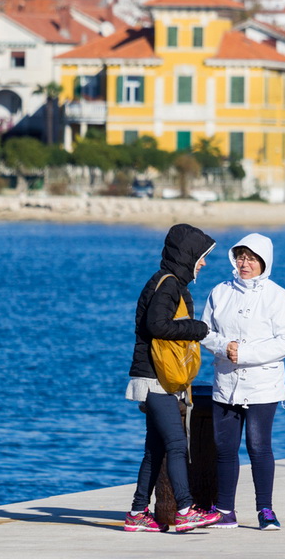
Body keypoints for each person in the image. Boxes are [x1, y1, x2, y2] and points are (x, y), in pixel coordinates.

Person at [124, 223, 222, 533]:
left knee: (156, 448)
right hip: (156, 378)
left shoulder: (171, 284)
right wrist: (199, 329)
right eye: (201, 256)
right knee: (178, 444)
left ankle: (137, 514)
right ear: (188, 255)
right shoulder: (167, 285)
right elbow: (158, 326)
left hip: (156, 376)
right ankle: (184, 510)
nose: (204, 263)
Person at [200, 233, 285, 531]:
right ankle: (225, 510)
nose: (245, 263)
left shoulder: (277, 296)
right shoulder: (220, 291)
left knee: (259, 447)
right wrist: (224, 348)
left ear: (264, 263)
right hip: (225, 383)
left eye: (252, 259)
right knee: (225, 448)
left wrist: (245, 353)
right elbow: (204, 331)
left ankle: (265, 510)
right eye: (241, 257)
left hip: (263, 386)